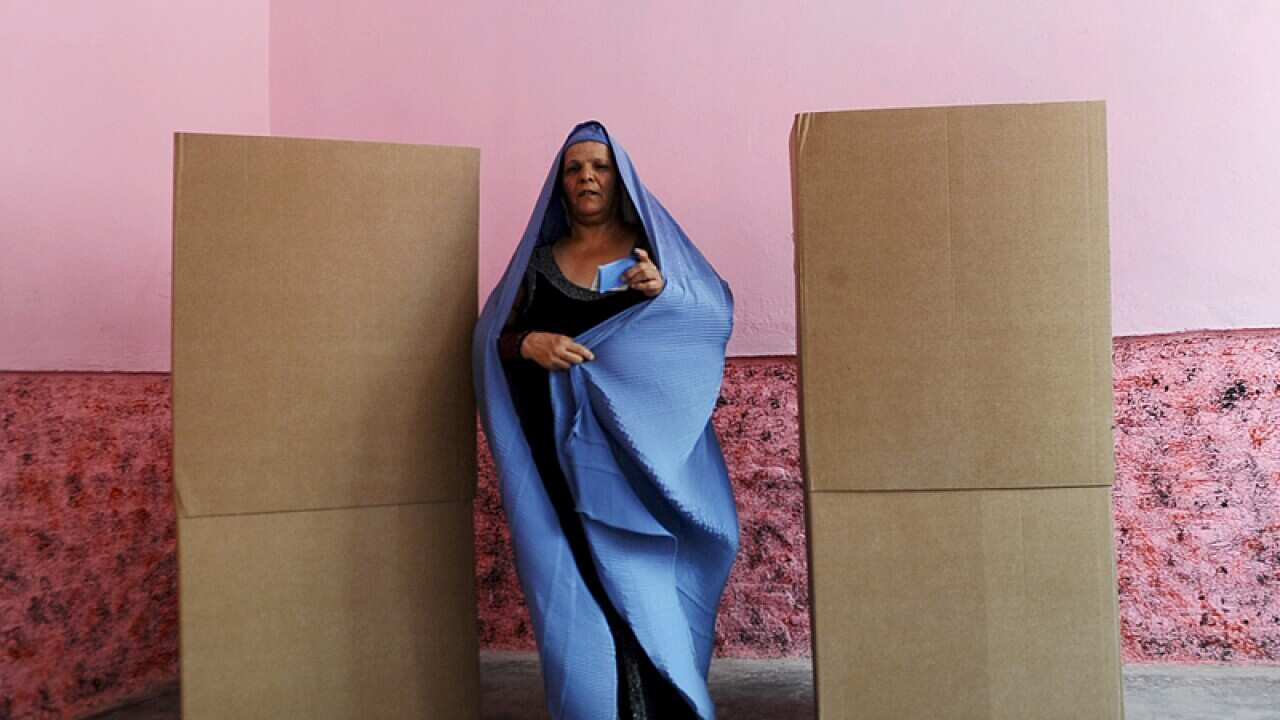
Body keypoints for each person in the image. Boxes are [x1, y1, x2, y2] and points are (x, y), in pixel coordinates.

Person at [473, 121, 739, 720]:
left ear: (620, 179)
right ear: (560, 184)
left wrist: (665, 292)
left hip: (637, 467)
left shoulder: (654, 252)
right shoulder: (538, 265)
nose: (587, 177)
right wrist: (530, 343)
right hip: (561, 466)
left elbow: (712, 313)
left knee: (643, 582)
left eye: (600, 166)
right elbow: (493, 339)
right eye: (574, 169)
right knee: (581, 584)